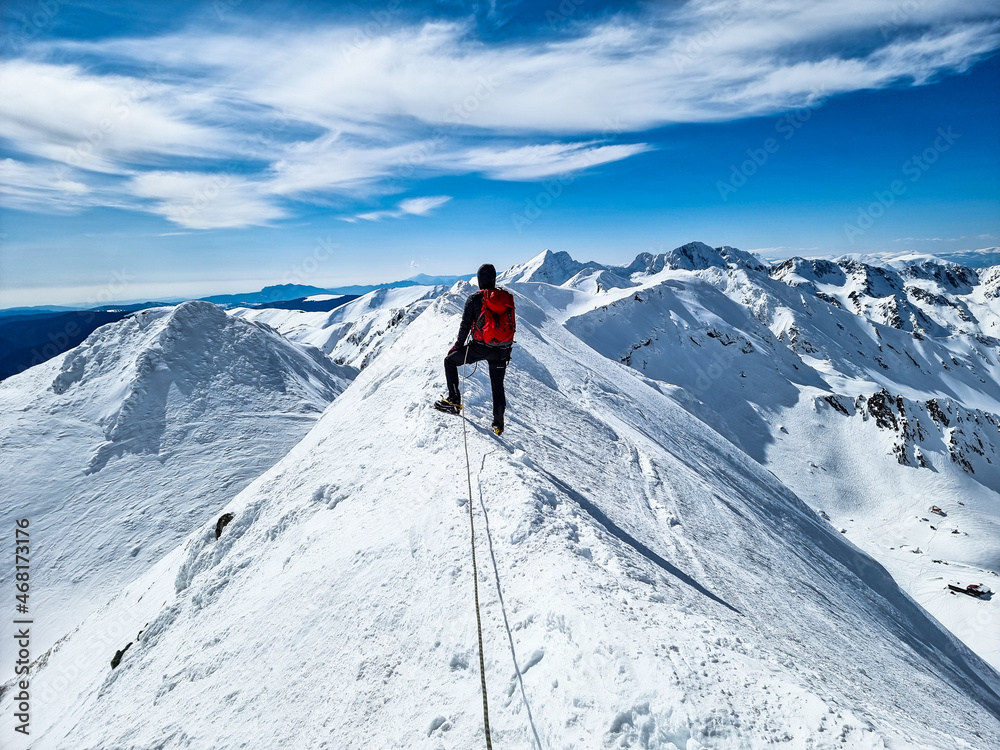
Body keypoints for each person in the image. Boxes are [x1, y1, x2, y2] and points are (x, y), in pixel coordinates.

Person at [434, 264, 516, 435]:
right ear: (494, 279)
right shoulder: (505, 298)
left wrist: (457, 346)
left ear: (479, 280)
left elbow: (465, 326)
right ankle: (498, 424)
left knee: (449, 361)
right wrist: (506, 350)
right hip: (501, 350)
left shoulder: (474, 299)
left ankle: (454, 401)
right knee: (497, 385)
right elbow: (511, 326)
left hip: (480, 347)